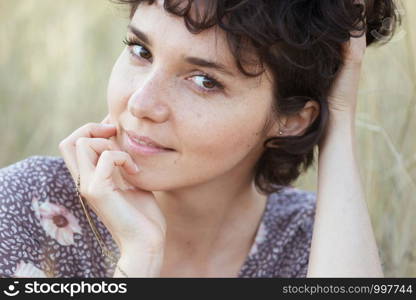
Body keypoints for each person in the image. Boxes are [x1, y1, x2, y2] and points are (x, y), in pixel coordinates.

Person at [0, 0, 400, 278]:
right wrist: (139, 261)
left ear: (293, 118)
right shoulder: (28, 207)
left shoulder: (319, 243)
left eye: (205, 81)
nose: (141, 103)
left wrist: (340, 119)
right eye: (141, 50)